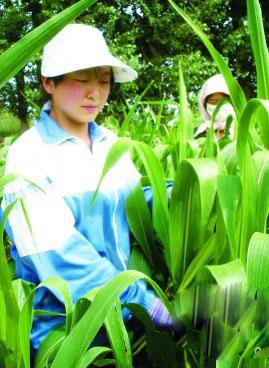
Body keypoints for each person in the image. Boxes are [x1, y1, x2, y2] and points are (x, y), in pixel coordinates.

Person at [1, 23, 173, 353]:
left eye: (104, 81)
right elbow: (59, 254)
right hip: (66, 334)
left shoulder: (110, 145)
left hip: (123, 327)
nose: (95, 92)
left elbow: (136, 202)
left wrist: (176, 196)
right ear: (48, 82)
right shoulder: (29, 155)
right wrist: (140, 301)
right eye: (81, 80)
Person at [195, 73, 235, 138]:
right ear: (204, 105)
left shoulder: (242, 130)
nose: (219, 106)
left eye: (224, 101)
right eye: (213, 102)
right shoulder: (202, 132)